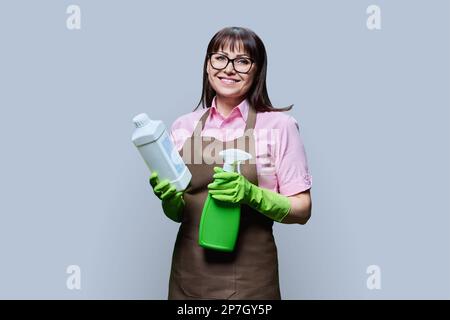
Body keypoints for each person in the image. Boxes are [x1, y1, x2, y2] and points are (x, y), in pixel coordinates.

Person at [149, 26, 312, 300]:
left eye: (243, 61)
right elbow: (179, 213)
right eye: (220, 58)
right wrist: (169, 200)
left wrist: (253, 195)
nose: (229, 69)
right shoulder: (182, 126)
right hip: (187, 277)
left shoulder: (279, 127)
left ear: (257, 70)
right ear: (207, 65)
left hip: (251, 281)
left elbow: (302, 209)